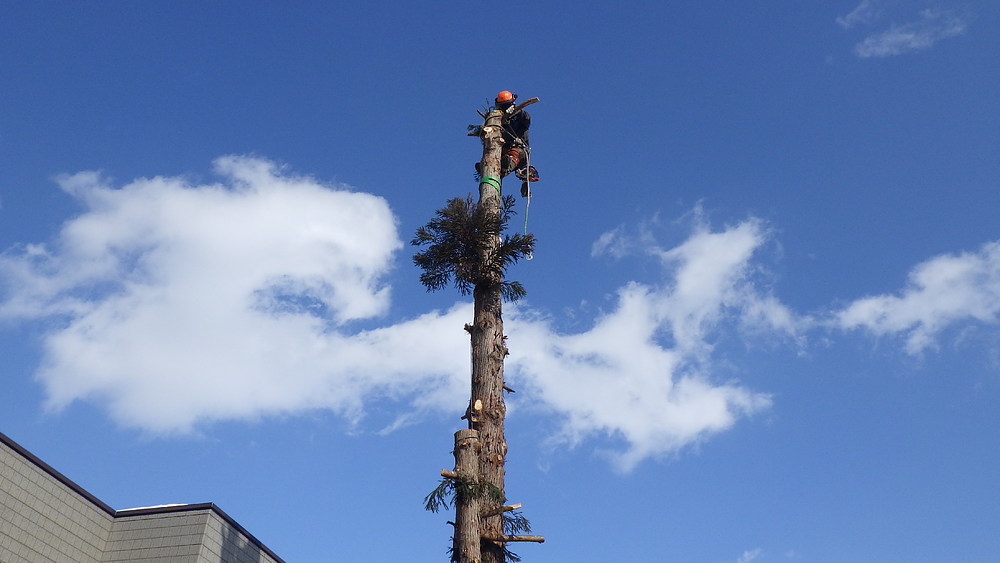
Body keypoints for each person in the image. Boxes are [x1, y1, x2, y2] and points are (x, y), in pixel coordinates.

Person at [477, 90, 540, 197]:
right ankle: (486, 167)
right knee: (493, 158)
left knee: (512, 156)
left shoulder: (520, 117)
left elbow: (527, 119)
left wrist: (517, 111)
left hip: (519, 151)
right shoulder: (497, 120)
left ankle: (506, 165)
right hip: (502, 149)